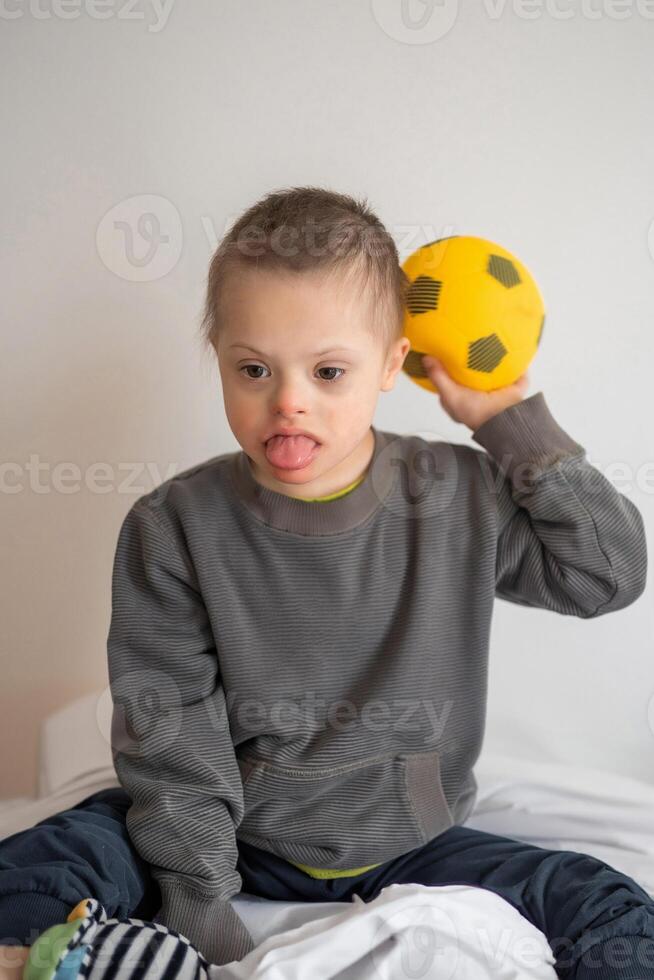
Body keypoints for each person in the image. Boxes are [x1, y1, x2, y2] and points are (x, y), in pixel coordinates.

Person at [1, 186, 651, 980]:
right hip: (236, 837)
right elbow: (172, 733)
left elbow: (606, 574)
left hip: (413, 841)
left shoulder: (457, 495)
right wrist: (203, 911)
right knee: (49, 862)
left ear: (391, 364)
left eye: (329, 370)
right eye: (253, 369)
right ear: (220, 360)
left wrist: (506, 420)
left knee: (603, 904)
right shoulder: (173, 526)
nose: (289, 403)